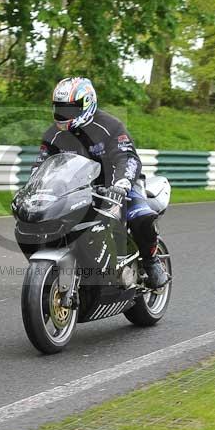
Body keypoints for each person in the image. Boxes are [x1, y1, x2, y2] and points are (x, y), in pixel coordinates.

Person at [31, 77, 169, 289]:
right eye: (60, 108)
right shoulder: (53, 134)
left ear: (88, 104)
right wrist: (33, 188)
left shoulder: (111, 126)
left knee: (142, 218)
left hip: (118, 186)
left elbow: (128, 158)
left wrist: (121, 184)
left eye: (71, 109)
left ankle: (151, 262)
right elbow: (41, 166)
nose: (64, 114)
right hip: (77, 190)